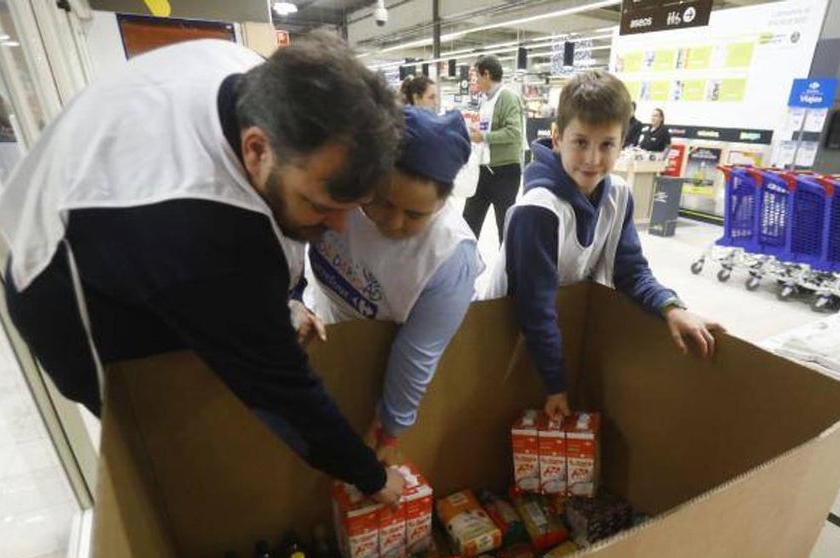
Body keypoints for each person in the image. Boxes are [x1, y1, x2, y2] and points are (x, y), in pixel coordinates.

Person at [0, 35, 409, 504]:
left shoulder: (258, 81)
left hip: (121, 213)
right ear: (255, 150)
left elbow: (264, 267)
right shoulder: (204, 235)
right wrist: (369, 475)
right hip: (69, 291)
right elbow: (281, 387)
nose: (338, 226)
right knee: (163, 432)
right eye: (321, 205)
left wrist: (286, 298)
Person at [502, 71, 723, 420]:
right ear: (557, 138)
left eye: (606, 144)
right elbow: (535, 308)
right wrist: (556, 384)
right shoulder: (539, 209)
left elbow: (630, 270)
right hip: (508, 336)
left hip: (557, 334)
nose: (592, 158)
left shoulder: (618, 194)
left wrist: (671, 307)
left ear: (623, 144)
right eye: (580, 142)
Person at [296, 107, 480, 462]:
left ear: (442, 203)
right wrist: (291, 299)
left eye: (414, 215)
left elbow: (417, 353)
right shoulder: (343, 193)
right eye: (381, 202)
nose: (393, 223)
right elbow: (288, 236)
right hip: (325, 326)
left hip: (386, 357)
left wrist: (389, 427)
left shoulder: (450, 257)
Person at [463, 54, 524, 244]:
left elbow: (515, 132)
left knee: (505, 230)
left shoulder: (507, 97)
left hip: (504, 173)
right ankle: (463, 269)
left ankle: (508, 272)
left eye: (477, 77)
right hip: (483, 171)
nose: (476, 82)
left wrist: (484, 136)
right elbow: (485, 129)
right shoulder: (484, 100)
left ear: (486, 74)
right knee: (468, 224)